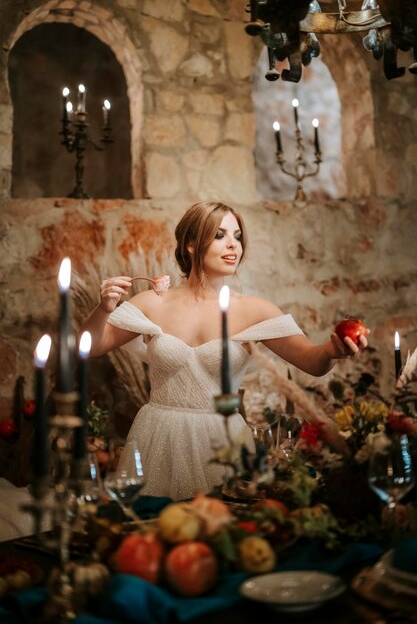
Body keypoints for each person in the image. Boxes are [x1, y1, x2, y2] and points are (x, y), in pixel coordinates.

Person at [82, 201, 369, 500]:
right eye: (220, 235)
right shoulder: (154, 302)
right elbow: (91, 346)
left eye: (238, 236)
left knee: (224, 530)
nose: (233, 244)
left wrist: (332, 350)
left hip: (222, 440)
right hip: (158, 436)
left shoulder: (255, 310)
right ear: (191, 244)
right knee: (154, 534)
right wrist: (103, 310)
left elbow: (313, 362)